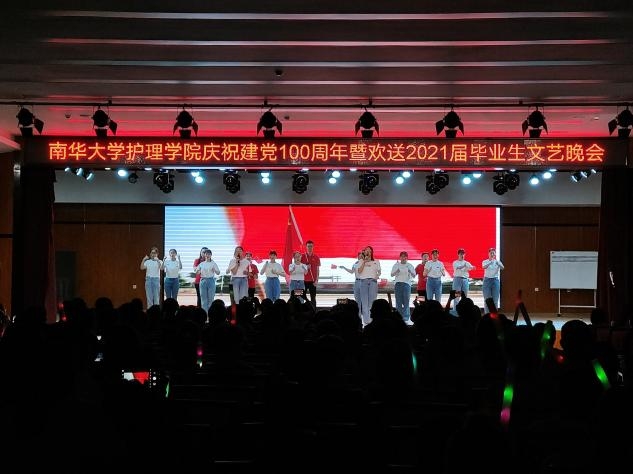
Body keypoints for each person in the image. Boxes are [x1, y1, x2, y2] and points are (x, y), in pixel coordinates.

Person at [357, 245, 381, 326]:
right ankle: (366, 321)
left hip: (373, 282)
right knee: (364, 303)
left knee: (372, 302)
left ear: (371, 252)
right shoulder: (361, 261)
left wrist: (378, 275)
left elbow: (379, 271)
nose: (368, 252)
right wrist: (364, 261)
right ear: (364, 252)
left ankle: (371, 321)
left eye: (369, 250)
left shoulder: (376, 261)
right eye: (366, 250)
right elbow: (359, 271)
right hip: (363, 282)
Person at [391, 251, 416, 323]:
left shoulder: (410, 265)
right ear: (400, 257)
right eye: (402, 256)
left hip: (406, 284)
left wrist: (410, 271)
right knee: (398, 301)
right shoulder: (396, 265)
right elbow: (392, 275)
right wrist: (397, 271)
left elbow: (414, 275)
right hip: (398, 284)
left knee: (406, 301)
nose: (403, 258)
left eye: (405, 256)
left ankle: (406, 317)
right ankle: (399, 317)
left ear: (407, 257)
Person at [196, 248, 220, 313]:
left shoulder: (213, 263)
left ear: (211, 255)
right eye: (206, 254)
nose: (207, 255)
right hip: (203, 281)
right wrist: (198, 271)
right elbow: (197, 272)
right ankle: (205, 314)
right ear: (204, 255)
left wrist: (215, 270)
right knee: (203, 299)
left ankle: (210, 314)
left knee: (211, 299)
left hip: (211, 281)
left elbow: (218, 272)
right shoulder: (201, 264)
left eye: (209, 254)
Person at [482, 248, 505, 314]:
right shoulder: (485, 261)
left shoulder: (497, 261)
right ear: (488, 254)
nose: (492, 254)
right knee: (487, 299)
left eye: (493, 253)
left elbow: (503, 268)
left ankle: (494, 315)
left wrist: (498, 264)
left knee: (495, 300)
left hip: (495, 280)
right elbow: (483, 267)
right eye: (491, 253)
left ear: (495, 254)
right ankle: (487, 315)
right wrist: (490, 262)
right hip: (487, 280)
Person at [301, 240, 321, 309]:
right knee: (302, 296)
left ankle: (314, 311)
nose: (310, 248)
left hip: (313, 281)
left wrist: (316, 280)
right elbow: (299, 268)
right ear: (306, 247)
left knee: (313, 297)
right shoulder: (302, 256)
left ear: (313, 247)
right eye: (308, 246)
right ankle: (303, 310)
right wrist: (306, 267)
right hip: (304, 281)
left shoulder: (316, 257)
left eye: (311, 246)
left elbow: (318, 270)